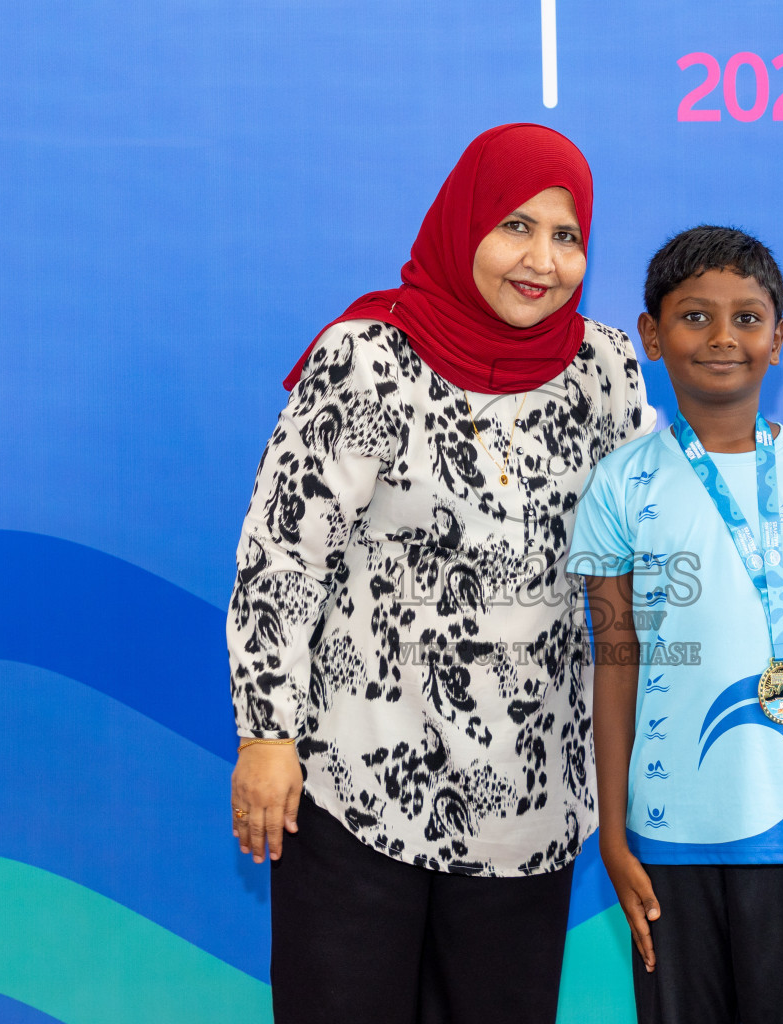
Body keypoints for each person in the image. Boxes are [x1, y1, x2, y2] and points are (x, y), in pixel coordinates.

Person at [225, 123, 650, 1024]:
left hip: (529, 798)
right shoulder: (370, 360)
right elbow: (284, 555)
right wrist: (267, 735)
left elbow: (641, 545)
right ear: (465, 228)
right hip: (356, 781)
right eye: (516, 227)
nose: (541, 260)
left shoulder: (604, 371)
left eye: (567, 236)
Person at [568, 226, 783, 1024]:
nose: (722, 338)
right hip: (666, 838)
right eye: (695, 317)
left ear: (778, 340)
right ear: (651, 334)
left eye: (748, 319)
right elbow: (616, 662)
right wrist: (615, 835)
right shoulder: (619, 484)